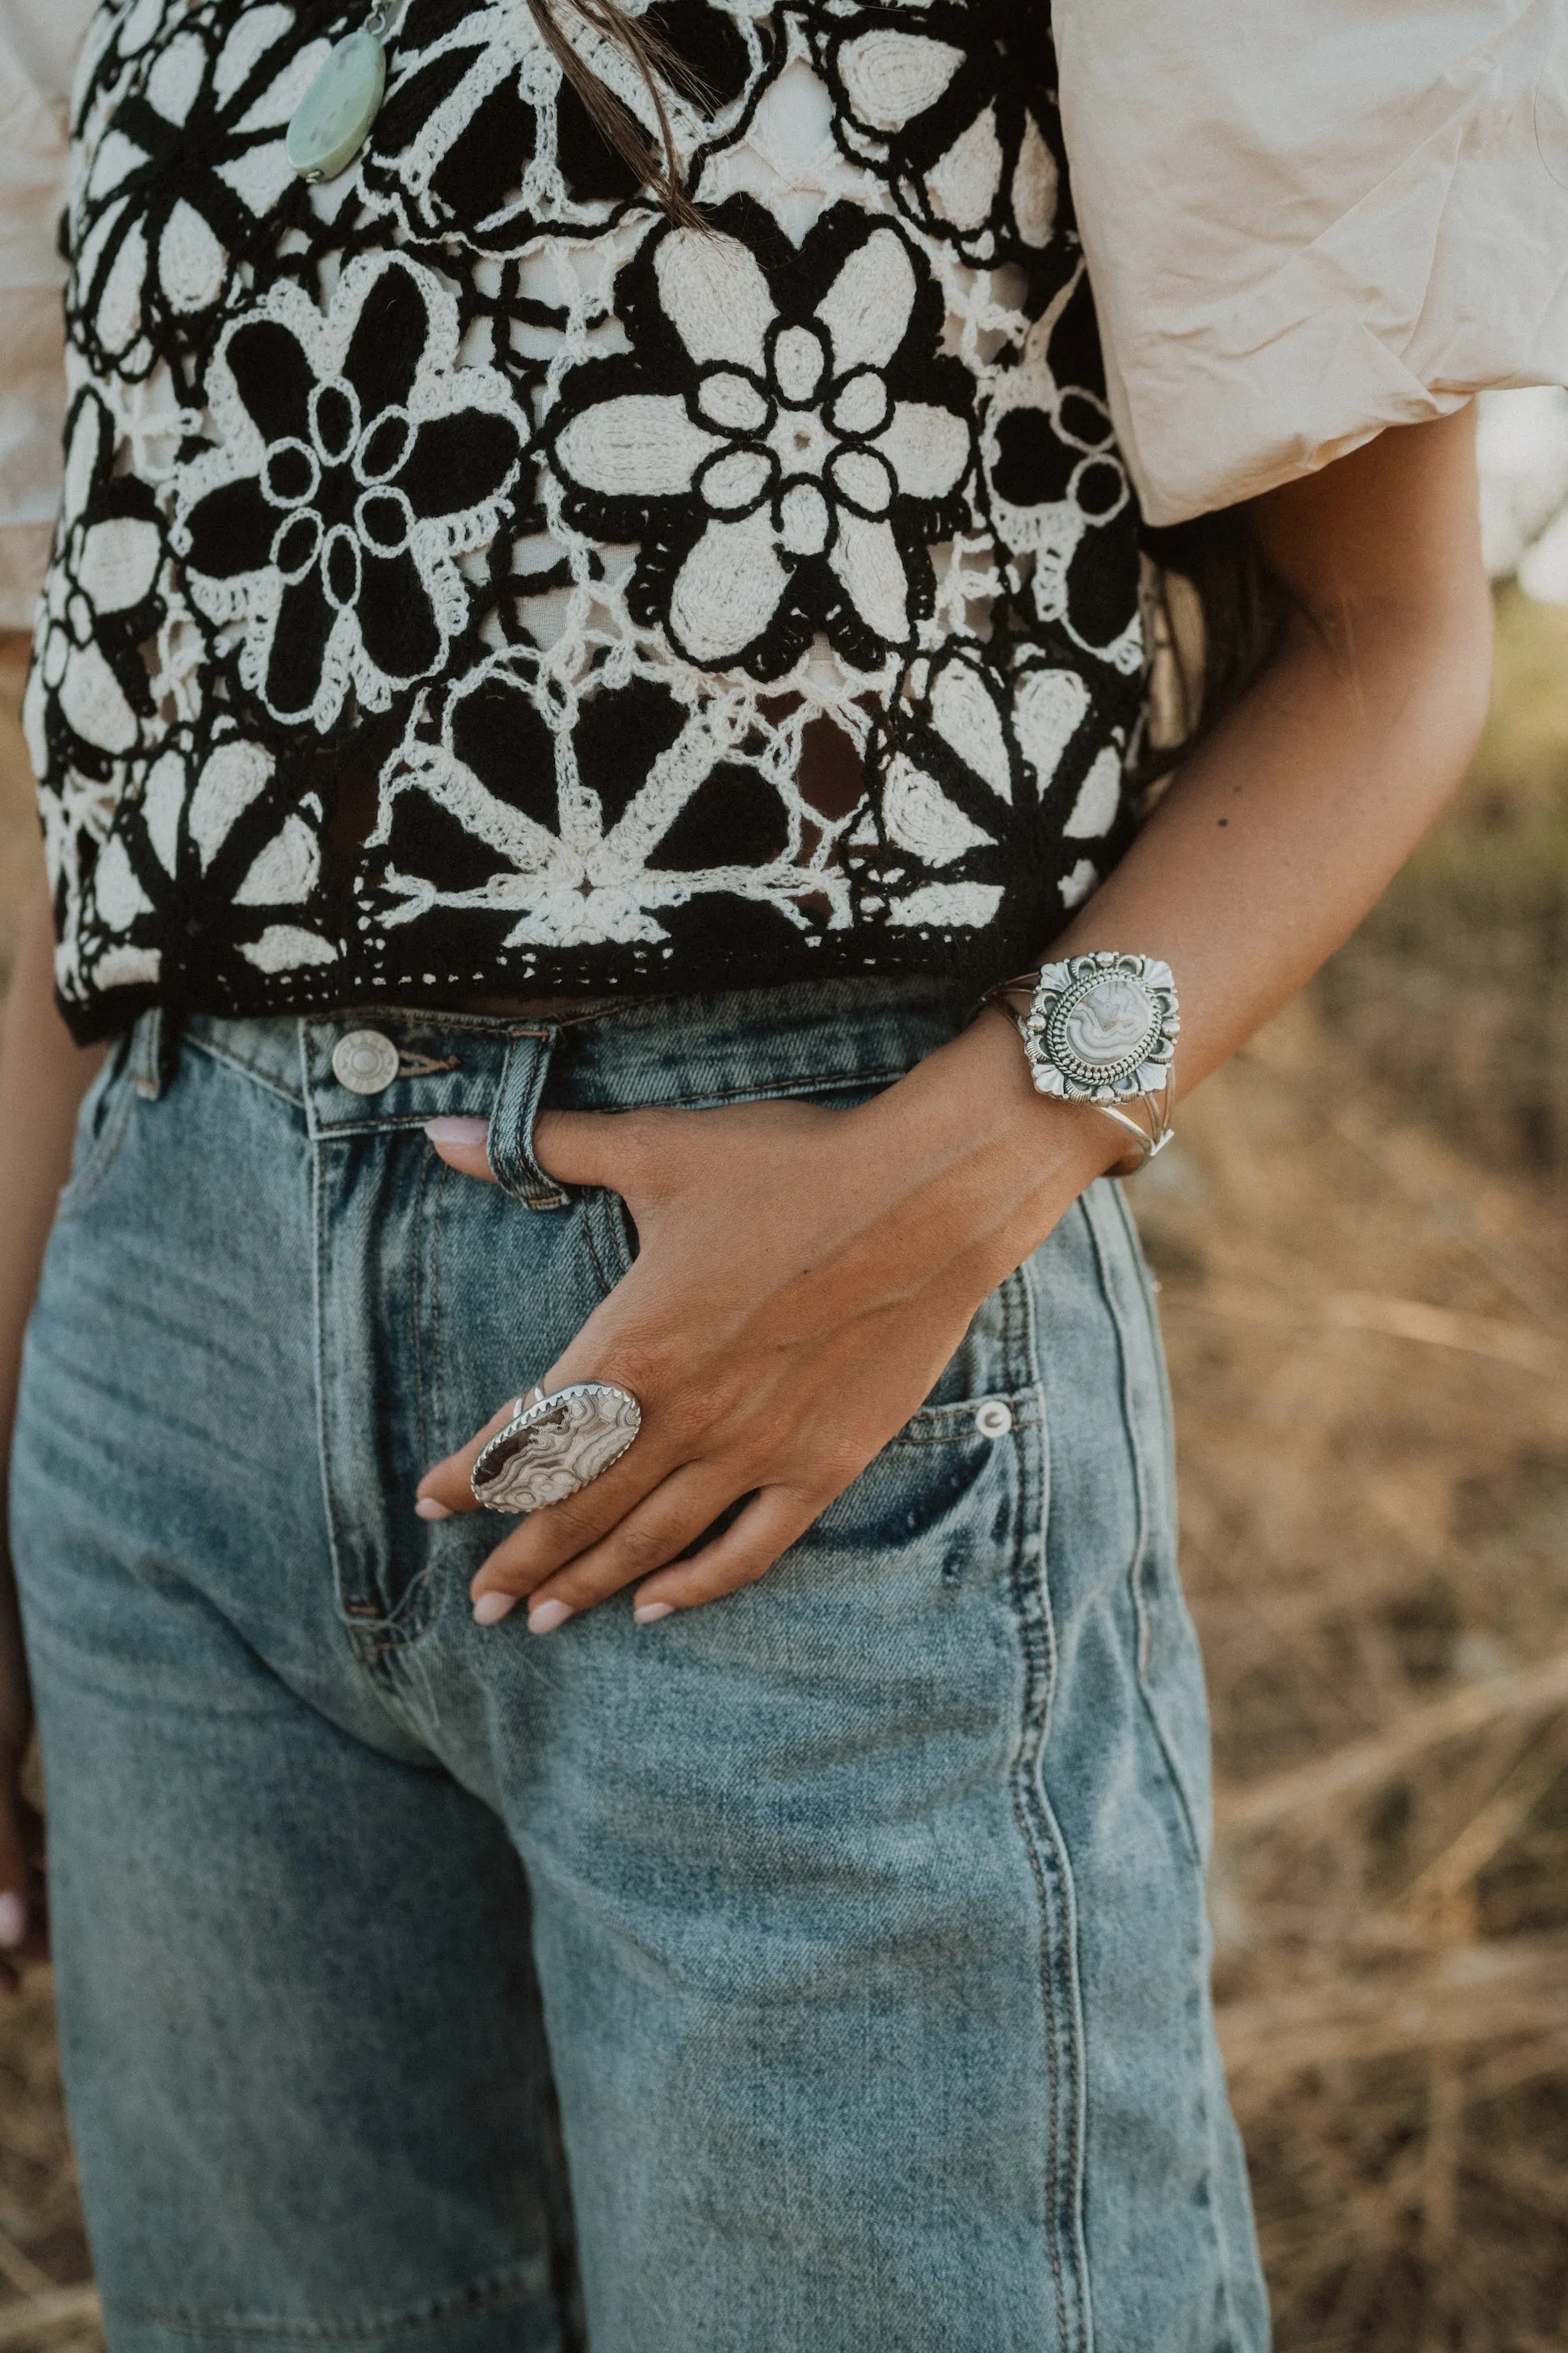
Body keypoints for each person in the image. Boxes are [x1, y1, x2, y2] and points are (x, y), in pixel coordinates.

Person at [0, 0, 1492, 2345]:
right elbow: (83, 814)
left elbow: (1389, 635)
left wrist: (951, 1184)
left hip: (803, 1375)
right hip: (162, 1359)